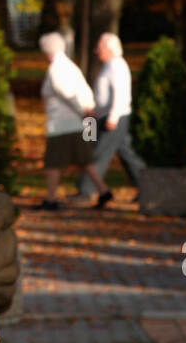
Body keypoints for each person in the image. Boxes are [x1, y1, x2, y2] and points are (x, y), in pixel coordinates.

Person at [38, 32, 110, 210]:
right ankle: (103, 190)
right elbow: (83, 90)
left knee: (53, 161)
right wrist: (89, 109)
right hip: (77, 121)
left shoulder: (56, 69)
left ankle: (51, 198)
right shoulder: (70, 66)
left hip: (62, 123)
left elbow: (67, 94)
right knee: (84, 159)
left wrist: (84, 111)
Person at [77, 32, 144, 202]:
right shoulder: (110, 65)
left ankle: (86, 190)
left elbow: (120, 95)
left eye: (99, 48)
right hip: (108, 116)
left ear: (109, 49)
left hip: (115, 118)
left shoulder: (117, 66)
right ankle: (147, 188)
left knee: (99, 153)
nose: (96, 51)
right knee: (128, 155)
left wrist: (113, 118)